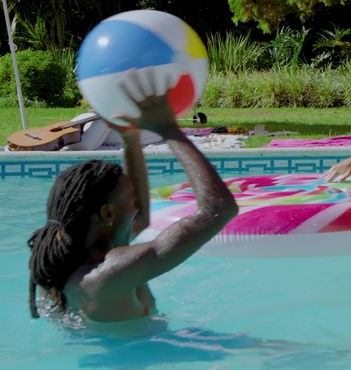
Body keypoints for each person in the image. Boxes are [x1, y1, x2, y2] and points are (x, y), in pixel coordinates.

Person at [27, 74, 238, 328]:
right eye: (132, 199)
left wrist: (130, 137)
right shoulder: (112, 271)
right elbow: (219, 209)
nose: (140, 203)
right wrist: (169, 130)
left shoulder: (60, 265)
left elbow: (142, 219)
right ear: (107, 214)